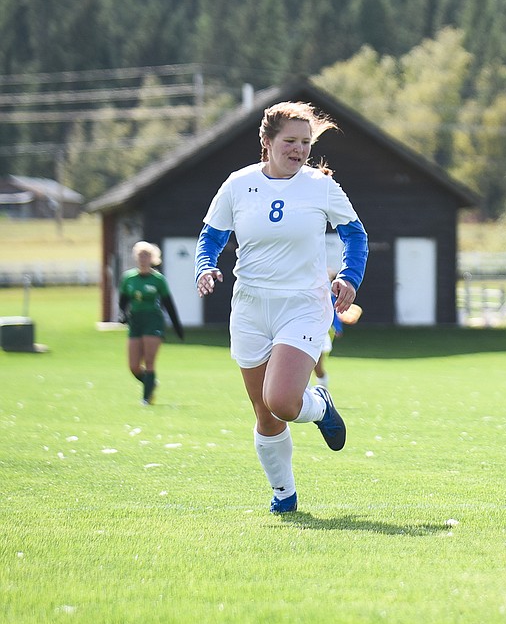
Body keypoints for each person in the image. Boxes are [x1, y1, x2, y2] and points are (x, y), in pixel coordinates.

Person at [195, 101, 369, 514]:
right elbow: (212, 236)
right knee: (265, 413)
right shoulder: (238, 184)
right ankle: (283, 494)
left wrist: (349, 277)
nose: (299, 149)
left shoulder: (320, 186)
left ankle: (320, 404)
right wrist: (205, 265)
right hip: (251, 309)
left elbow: (356, 237)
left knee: (284, 402)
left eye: (305, 143)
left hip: (303, 306)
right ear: (267, 142)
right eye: (290, 141)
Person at [119, 241, 184, 405]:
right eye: (140, 255)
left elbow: (169, 304)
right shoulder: (128, 278)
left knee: (149, 361)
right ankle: (151, 383)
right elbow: (123, 302)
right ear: (136, 257)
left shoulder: (158, 280)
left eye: (146, 256)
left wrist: (177, 328)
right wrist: (123, 315)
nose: (143, 259)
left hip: (153, 321)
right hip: (136, 321)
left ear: (152, 258)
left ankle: (146, 398)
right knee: (133, 366)